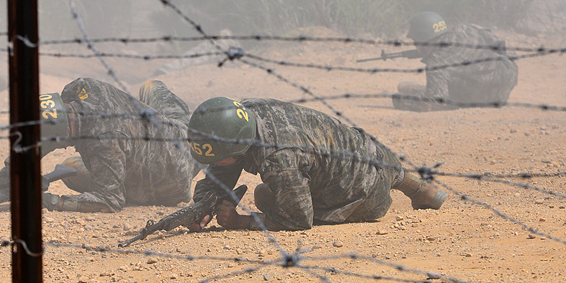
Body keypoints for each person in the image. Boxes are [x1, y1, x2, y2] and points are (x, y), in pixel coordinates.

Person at [186, 97, 446, 232]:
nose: (216, 164)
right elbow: (223, 169)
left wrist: (240, 222)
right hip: (372, 152)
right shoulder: (248, 112)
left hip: (365, 197)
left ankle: (401, 191)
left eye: (219, 158)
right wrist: (204, 205)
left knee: (264, 196)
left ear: (238, 146)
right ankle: (419, 189)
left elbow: (299, 219)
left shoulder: (280, 157)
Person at [0, 78, 200, 213]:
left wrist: (46, 201)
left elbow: (110, 200)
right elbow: (50, 126)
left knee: (71, 167)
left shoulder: (103, 142)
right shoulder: (81, 88)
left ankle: (199, 157)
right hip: (179, 132)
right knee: (151, 86)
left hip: (174, 183)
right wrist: (11, 169)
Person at [392, 11, 518, 111]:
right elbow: (497, 43)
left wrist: (402, 101)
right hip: (507, 77)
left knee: (406, 95)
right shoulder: (464, 30)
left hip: (485, 98)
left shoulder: (436, 62)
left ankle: (434, 93)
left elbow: (436, 100)